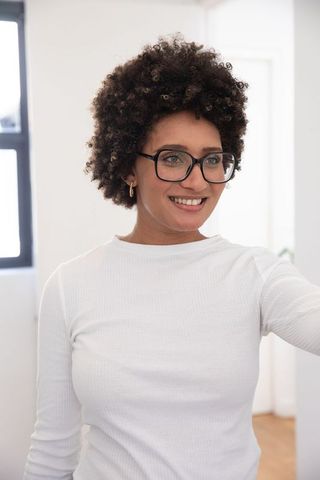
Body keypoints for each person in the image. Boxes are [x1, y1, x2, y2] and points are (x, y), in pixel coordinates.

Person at [23, 33, 320, 480]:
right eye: (173, 158)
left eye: (213, 159)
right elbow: (52, 449)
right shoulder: (70, 285)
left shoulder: (255, 274)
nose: (197, 181)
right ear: (127, 166)